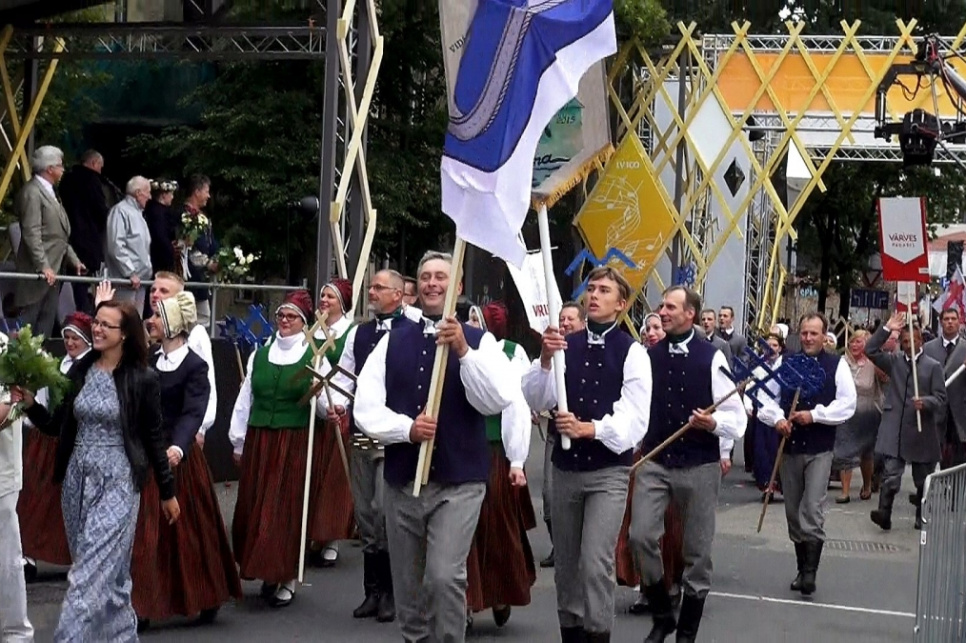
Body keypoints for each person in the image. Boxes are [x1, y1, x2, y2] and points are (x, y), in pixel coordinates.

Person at [354, 250, 515, 643]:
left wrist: (463, 351)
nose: (432, 283)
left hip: (460, 483)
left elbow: (496, 399)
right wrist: (406, 429)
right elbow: (365, 407)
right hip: (403, 482)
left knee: (444, 577)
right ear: (416, 287)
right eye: (425, 276)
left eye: (441, 277)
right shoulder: (391, 342)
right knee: (408, 588)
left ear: (456, 286)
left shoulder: (481, 342)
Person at [14, 299, 180, 640]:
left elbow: (153, 437)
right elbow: (56, 425)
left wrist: (167, 492)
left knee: (89, 574)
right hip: (77, 479)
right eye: (97, 322)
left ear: (124, 334)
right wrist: (30, 405)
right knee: (111, 576)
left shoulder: (143, 378)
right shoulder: (80, 371)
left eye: (106, 324)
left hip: (118, 479)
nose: (98, 329)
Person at [524, 266, 652, 643]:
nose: (594, 295)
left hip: (608, 472)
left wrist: (590, 429)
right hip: (566, 469)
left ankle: (598, 632)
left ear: (621, 304)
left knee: (596, 561)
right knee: (566, 566)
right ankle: (572, 632)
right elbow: (537, 397)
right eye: (591, 288)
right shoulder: (566, 345)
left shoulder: (632, 352)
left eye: (604, 290)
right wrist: (545, 360)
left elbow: (635, 419)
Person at [630, 286, 746, 642]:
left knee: (696, 551)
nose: (662, 312)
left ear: (690, 314)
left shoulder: (712, 358)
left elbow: (737, 418)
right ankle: (662, 613)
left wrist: (713, 423)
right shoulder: (647, 357)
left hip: (699, 464)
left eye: (670, 307)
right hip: (655, 459)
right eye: (661, 306)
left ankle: (687, 633)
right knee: (640, 536)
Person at [131, 291, 241, 630]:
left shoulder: (194, 365)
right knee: (147, 532)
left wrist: (178, 447)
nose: (150, 321)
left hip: (179, 459)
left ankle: (205, 594)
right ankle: (143, 603)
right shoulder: (150, 360)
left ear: (173, 325)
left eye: (156, 317)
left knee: (192, 531)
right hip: (149, 455)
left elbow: (194, 411)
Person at [324, 269, 417, 622]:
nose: (372, 292)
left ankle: (393, 592)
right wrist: (337, 404)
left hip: (394, 435)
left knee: (384, 512)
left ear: (398, 294)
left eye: (379, 287)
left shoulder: (413, 329)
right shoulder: (358, 333)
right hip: (363, 434)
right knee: (364, 513)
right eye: (371, 287)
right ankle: (372, 591)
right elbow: (344, 376)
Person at [229, 289, 322, 607]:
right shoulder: (260, 354)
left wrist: (321, 395)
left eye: (291, 316)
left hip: (291, 441)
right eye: (281, 315)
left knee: (283, 509)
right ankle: (265, 571)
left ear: (303, 322)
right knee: (255, 506)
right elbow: (246, 398)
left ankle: (285, 576)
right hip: (259, 439)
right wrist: (238, 440)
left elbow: (324, 408)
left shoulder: (314, 356)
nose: (284, 320)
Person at [755, 312, 856, 597]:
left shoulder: (836, 365)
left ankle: (810, 573)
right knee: (793, 511)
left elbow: (847, 403)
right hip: (789, 449)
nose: (809, 338)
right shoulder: (786, 363)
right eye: (804, 333)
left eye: (814, 333)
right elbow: (766, 397)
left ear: (825, 336)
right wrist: (778, 419)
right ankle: (802, 568)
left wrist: (815, 415)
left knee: (811, 507)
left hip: (820, 449)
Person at [465, 302, 534, 630]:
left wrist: (516, 459)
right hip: (460, 447)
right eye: (469, 318)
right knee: (459, 525)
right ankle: (463, 600)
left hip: (494, 450)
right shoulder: (456, 349)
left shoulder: (510, 353)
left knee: (495, 524)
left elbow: (517, 405)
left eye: (476, 319)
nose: (469, 324)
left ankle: (500, 591)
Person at [18, 313, 93, 580]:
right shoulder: (59, 365)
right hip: (50, 441)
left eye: (76, 339)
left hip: (75, 446)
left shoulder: (89, 369)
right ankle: (28, 554)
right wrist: (31, 405)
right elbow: (52, 419)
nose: (70, 343)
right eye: (67, 338)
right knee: (35, 499)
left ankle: (79, 557)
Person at [866, 314, 946, 530]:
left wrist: (926, 402)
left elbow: (941, 398)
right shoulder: (894, 362)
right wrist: (886, 328)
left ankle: (921, 515)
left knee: (922, 478)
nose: (909, 344)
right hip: (896, 427)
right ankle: (884, 512)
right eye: (905, 341)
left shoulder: (933, 366)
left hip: (921, 428)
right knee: (891, 473)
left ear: (921, 341)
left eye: (913, 340)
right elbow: (870, 350)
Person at [308, 278, 356, 567]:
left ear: (343, 303)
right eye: (323, 295)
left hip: (337, 407)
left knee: (332, 477)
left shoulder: (350, 332)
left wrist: (338, 404)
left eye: (330, 297)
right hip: (309, 409)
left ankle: (331, 537)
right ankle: (310, 533)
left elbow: (350, 372)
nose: (324, 300)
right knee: (311, 473)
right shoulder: (311, 329)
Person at [14, 145, 87, 337]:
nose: (63, 169)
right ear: (50, 168)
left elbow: (58, 234)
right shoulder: (32, 192)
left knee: (45, 325)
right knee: (28, 325)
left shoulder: (50, 191)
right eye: (60, 165)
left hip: (53, 270)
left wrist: (74, 260)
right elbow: (31, 232)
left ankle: (41, 356)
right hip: (38, 272)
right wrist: (43, 265)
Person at [539, 299, 587, 570]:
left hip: (585, 436)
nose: (565, 323)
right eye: (562, 319)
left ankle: (578, 546)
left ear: (582, 323)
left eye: (571, 319)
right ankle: (559, 545)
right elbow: (539, 390)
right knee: (549, 495)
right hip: (555, 432)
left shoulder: (588, 352)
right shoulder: (553, 350)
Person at [0, 331, 32, 642]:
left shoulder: (4, 349)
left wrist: (11, 403)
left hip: (2, 476)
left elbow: (8, 410)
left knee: (6, 557)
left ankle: (16, 634)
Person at [832, 330, 883, 503]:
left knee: (866, 453)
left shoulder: (873, 363)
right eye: (852, 342)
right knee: (844, 450)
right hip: (846, 412)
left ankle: (867, 485)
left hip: (867, 413)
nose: (854, 345)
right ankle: (845, 491)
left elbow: (886, 381)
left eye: (859, 342)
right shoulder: (842, 362)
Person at [59, 150, 111, 314]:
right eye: (100, 166)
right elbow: (100, 211)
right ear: (94, 163)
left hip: (67, 235)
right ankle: (83, 316)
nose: (101, 171)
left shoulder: (66, 179)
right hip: (88, 238)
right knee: (82, 282)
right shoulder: (92, 181)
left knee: (64, 280)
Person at [923, 308, 966, 469]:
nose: (950, 322)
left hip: (959, 415)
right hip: (935, 412)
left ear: (959, 322)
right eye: (946, 319)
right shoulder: (928, 349)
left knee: (957, 462)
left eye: (953, 319)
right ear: (941, 322)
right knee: (932, 458)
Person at [105, 176, 153, 314]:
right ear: (138, 193)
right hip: (126, 282)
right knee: (123, 318)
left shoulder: (138, 214)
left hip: (140, 281)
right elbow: (116, 245)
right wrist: (130, 273)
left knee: (135, 320)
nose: (150, 197)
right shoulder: (120, 211)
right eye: (148, 192)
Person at [746, 333, 785, 496]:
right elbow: (749, 386)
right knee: (762, 450)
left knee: (777, 449)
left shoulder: (785, 365)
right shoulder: (758, 365)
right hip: (762, 411)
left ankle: (780, 483)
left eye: (774, 345)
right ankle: (767, 485)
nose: (771, 349)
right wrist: (748, 404)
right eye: (768, 346)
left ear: (780, 348)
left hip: (780, 412)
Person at [180, 174, 218, 328]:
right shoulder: (184, 216)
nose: (208, 196)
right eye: (206, 191)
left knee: (203, 319)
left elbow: (211, 244)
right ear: (197, 191)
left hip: (201, 277)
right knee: (192, 320)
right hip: (188, 276)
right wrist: (208, 263)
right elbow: (187, 249)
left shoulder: (202, 217)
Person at [143, 179, 179, 276]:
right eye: (171, 194)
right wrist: (170, 249)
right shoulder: (158, 213)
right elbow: (160, 236)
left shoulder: (153, 210)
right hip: (159, 259)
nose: (172, 197)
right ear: (163, 195)